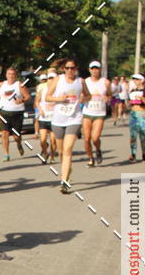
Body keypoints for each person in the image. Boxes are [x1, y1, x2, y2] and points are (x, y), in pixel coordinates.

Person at [46, 58, 91, 193]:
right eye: (67, 68)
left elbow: (89, 96)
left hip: (74, 119)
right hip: (58, 119)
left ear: (76, 68)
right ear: (63, 69)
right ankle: (67, 170)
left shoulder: (80, 81)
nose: (70, 70)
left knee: (67, 150)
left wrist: (84, 98)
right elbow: (47, 97)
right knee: (61, 153)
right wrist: (59, 99)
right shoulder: (58, 80)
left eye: (72, 68)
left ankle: (64, 182)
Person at [0, 66, 31, 161]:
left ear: (16, 76)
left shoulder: (19, 85)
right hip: (4, 112)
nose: (11, 76)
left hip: (17, 113)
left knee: (16, 136)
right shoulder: (1, 84)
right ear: (6, 75)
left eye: (13, 74)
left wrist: (22, 100)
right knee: (4, 133)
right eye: (9, 74)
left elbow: (28, 97)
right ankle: (6, 154)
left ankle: (19, 143)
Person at [83, 61, 111, 166]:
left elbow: (109, 95)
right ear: (89, 69)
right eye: (93, 68)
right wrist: (84, 98)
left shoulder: (105, 82)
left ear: (100, 70)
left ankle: (98, 150)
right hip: (87, 112)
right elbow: (81, 96)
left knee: (95, 137)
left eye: (97, 68)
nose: (95, 70)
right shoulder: (85, 82)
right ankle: (90, 158)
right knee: (86, 139)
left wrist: (107, 98)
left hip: (99, 113)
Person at [34, 73, 56, 163]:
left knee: (53, 140)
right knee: (42, 140)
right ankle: (46, 153)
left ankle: (52, 156)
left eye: (53, 78)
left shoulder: (59, 90)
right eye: (49, 78)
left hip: (54, 119)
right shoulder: (43, 90)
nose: (51, 80)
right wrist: (40, 110)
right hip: (44, 118)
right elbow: (37, 101)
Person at [128, 74, 145, 162]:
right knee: (133, 135)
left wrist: (141, 98)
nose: (135, 80)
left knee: (143, 136)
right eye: (134, 79)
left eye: (137, 79)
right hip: (133, 114)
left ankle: (144, 153)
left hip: (142, 114)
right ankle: (133, 154)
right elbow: (129, 101)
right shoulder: (132, 90)